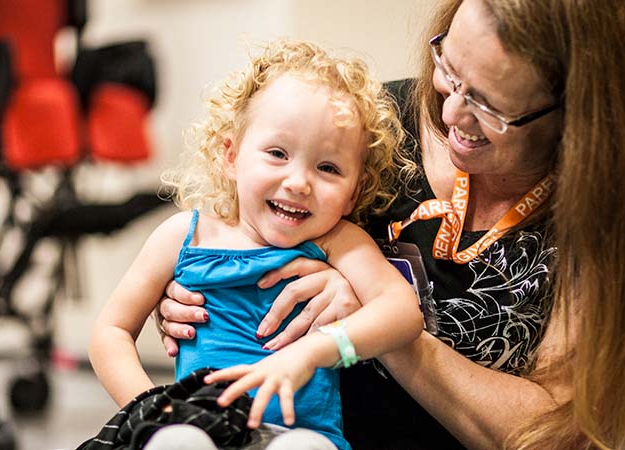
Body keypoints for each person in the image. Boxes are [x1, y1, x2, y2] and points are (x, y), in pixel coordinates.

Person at [156, 1, 625, 449]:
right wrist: (195, 295)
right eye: (449, 70)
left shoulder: (600, 224)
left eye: (488, 107)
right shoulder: (369, 131)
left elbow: (555, 435)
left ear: (579, 119)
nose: (450, 116)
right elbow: (240, 219)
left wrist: (380, 325)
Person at [88, 39, 424, 450]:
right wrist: (151, 408)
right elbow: (111, 330)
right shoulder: (184, 235)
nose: (299, 182)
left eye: (328, 168)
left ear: (354, 193)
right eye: (278, 153)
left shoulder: (338, 242)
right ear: (231, 156)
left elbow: (404, 312)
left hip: (302, 435)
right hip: (201, 421)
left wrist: (316, 351)